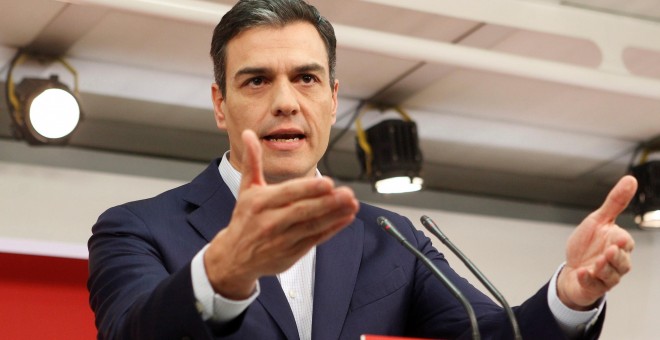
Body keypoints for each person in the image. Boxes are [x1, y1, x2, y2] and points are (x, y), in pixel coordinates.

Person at [87, 0, 636, 339]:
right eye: (256, 80)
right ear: (219, 103)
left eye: (306, 78)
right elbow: (130, 332)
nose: (285, 102)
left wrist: (570, 295)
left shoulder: (391, 238)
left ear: (332, 99)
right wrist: (223, 273)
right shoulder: (137, 228)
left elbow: (491, 335)